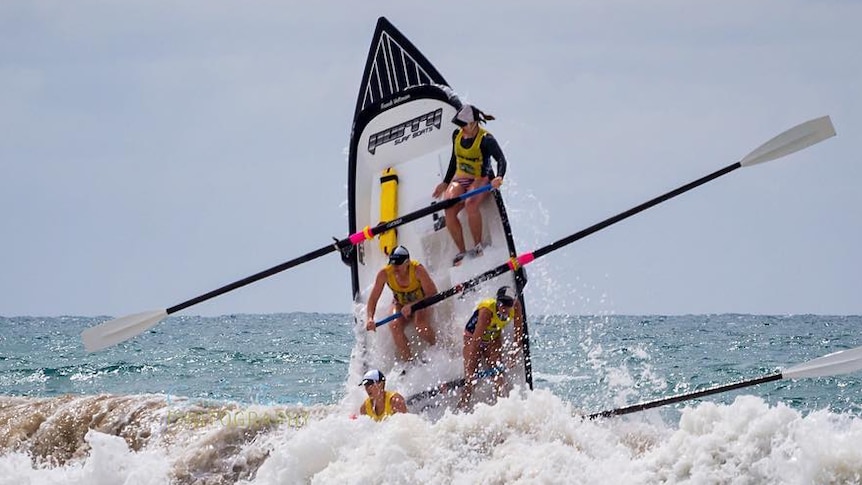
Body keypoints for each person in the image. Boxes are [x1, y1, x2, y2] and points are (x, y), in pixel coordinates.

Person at [432, 104, 509, 266]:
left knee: (470, 204)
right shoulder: (457, 135)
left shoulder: (486, 140)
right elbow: (454, 159)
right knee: (449, 208)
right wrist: (446, 182)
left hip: (480, 179)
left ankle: (477, 245)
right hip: (461, 178)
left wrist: (499, 177)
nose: (461, 128)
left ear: (473, 123)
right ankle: (462, 251)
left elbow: (501, 159)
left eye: (463, 124)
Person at [458, 285, 525, 411]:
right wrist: (471, 369)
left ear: (514, 302)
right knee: (470, 379)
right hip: (472, 337)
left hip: (492, 338)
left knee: (498, 376)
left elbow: (518, 335)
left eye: (508, 303)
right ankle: (462, 407)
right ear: (497, 301)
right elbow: (476, 342)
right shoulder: (486, 312)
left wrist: (513, 356)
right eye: (501, 303)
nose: (504, 308)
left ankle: (504, 409)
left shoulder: (516, 307)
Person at [366, 245, 437, 361]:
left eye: (398, 264)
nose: (395, 268)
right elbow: (373, 299)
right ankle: (409, 363)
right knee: (394, 325)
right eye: (392, 264)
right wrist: (370, 318)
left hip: (421, 303)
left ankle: (436, 348)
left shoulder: (418, 270)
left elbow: (432, 293)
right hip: (399, 303)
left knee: (420, 324)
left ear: (407, 262)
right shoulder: (384, 273)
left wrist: (413, 305)